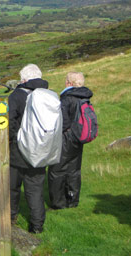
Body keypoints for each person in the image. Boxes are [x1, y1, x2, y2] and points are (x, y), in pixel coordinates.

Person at [8, 63, 50, 233]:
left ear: (24, 79)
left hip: (19, 151)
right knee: (35, 190)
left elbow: (9, 122)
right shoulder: (49, 95)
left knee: (12, 187)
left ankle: (10, 218)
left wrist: (9, 142)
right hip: (41, 150)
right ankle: (37, 226)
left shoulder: (17, 95)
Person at [47, 71, 93, 209]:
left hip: (66, 138)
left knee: (56, 170)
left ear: (69, 83)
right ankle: (72, 200)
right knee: (73, 170)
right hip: (78, 138)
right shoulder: (84, 96)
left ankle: (58, 203)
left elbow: (64, 122)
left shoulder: (67, 98)